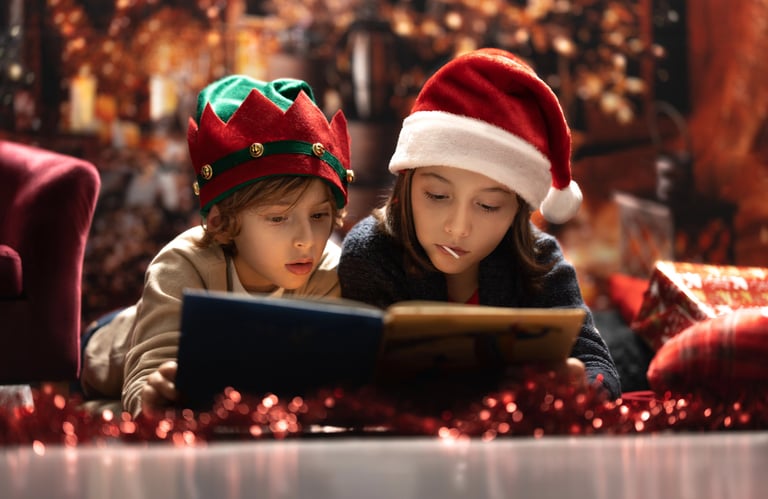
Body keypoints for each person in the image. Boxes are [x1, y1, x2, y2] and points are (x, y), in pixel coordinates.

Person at [338, 48, 621, 399]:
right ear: (406, 184)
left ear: (518, 209)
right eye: (437, 196)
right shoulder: (371, 253)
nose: (458, 228)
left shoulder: (538, 258)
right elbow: (355, 381)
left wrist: (582, 385)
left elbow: (598, 366)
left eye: (488, 206)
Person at [80, 75, 355, 417]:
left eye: (318, 215)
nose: (306, 238)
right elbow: (147, 376)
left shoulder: (328, 268)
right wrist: (152, 397)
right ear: (223, 224)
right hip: (114, 346)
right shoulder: (182, 264)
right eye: (278, 218)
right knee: (103, 406)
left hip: (235, 389)